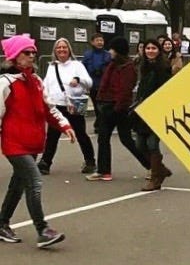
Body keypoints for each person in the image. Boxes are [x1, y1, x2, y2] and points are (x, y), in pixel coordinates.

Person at [0, 35, 75, 247]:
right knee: (34, 181)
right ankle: (43, 230)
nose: (32, 56)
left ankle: (2, 222)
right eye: (27, 52)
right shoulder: (5, 83)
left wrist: (65, 126)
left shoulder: (36, 81)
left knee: (18, 184)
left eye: (33, 52)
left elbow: (49, 109)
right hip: (14, 143)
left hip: (32, 142)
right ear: (15, 57)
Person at [86, 37, 148, 182]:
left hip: (116, 107)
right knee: (112, 139)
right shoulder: (113, 65)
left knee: (120, 139)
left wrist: (117, 108)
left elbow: (125, 90)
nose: (109, 51)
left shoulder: (127, 68)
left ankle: (151, 165)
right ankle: (104, 170)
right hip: (107, 105)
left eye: (112, 49)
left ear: (118, 50)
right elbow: (104, 85)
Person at [39, 38, 96, 175]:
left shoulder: (77, 65)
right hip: (57, 106)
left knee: (81, 133)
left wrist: (78, 80)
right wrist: (46, 98)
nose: (61, 50)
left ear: (69, 49)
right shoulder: (52, 66)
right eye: (59, 48)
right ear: (55, 51)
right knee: (52, 135)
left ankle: (90, 161)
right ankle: (45, 163)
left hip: (74, 105)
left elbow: (89, 82)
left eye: (64, 47)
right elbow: (46, 84)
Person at [131, 38, 173, 191]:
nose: (150, 51)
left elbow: (166, 89)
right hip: (142, 110)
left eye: (153, 48)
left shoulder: (163, 68)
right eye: (148, 48)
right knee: (139, 144)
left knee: (152, 143)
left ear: (159, 50)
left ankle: (156, 177)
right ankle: (160, 169)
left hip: (157, 110)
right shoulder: (143, 66)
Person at [81, 33, 111, 134]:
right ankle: (99, 124)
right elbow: (82, 68)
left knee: (102, 107)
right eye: (97, 40)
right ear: (92, 42)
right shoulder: (88, 54)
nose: (100, 42)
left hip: (105, 86)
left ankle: (100, 125)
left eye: (101, 40)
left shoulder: (108, 55)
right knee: (97, 106)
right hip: (93, 86)